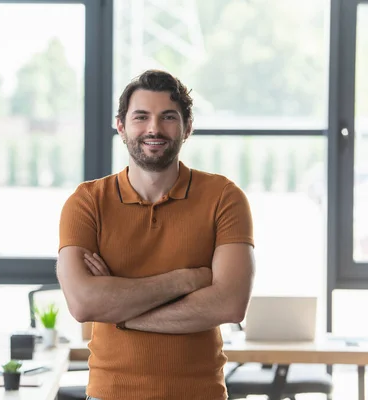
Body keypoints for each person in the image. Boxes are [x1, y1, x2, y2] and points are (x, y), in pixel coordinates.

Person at [56, 69, 255, 400]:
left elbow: (231, 304)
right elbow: (83, 302)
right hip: (111, 394)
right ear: (121, 126)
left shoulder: (224, 197)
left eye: (168, 117)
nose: (154, 129)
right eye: (141, 117)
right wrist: (187, 281)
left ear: (187, 127)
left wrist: (120, 313)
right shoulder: (87, 202)